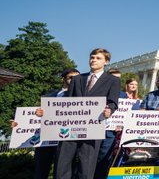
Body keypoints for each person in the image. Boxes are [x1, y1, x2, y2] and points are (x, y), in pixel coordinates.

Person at [36, 48, 120, 179]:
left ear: (106, 62)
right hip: (70, 128)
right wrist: (47, 112)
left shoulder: (112, 80)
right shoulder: (77, 79)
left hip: (93, 128)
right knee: (62, 164)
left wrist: (109, 109)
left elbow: (113, 102)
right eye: (92, 57)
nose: (93, 60)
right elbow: (66, 104)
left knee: (85, 167)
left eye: (98, 58)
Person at [14, 68, 79, 179]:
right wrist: (18, 124)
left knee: (63, 172)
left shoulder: (83, 98)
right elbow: (33, 116)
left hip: (67, 138)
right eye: (71, 78)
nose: (75, 81)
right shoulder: (48, 97)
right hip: (46, 139)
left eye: (78, 78)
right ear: (63, 78)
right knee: (41, 169)